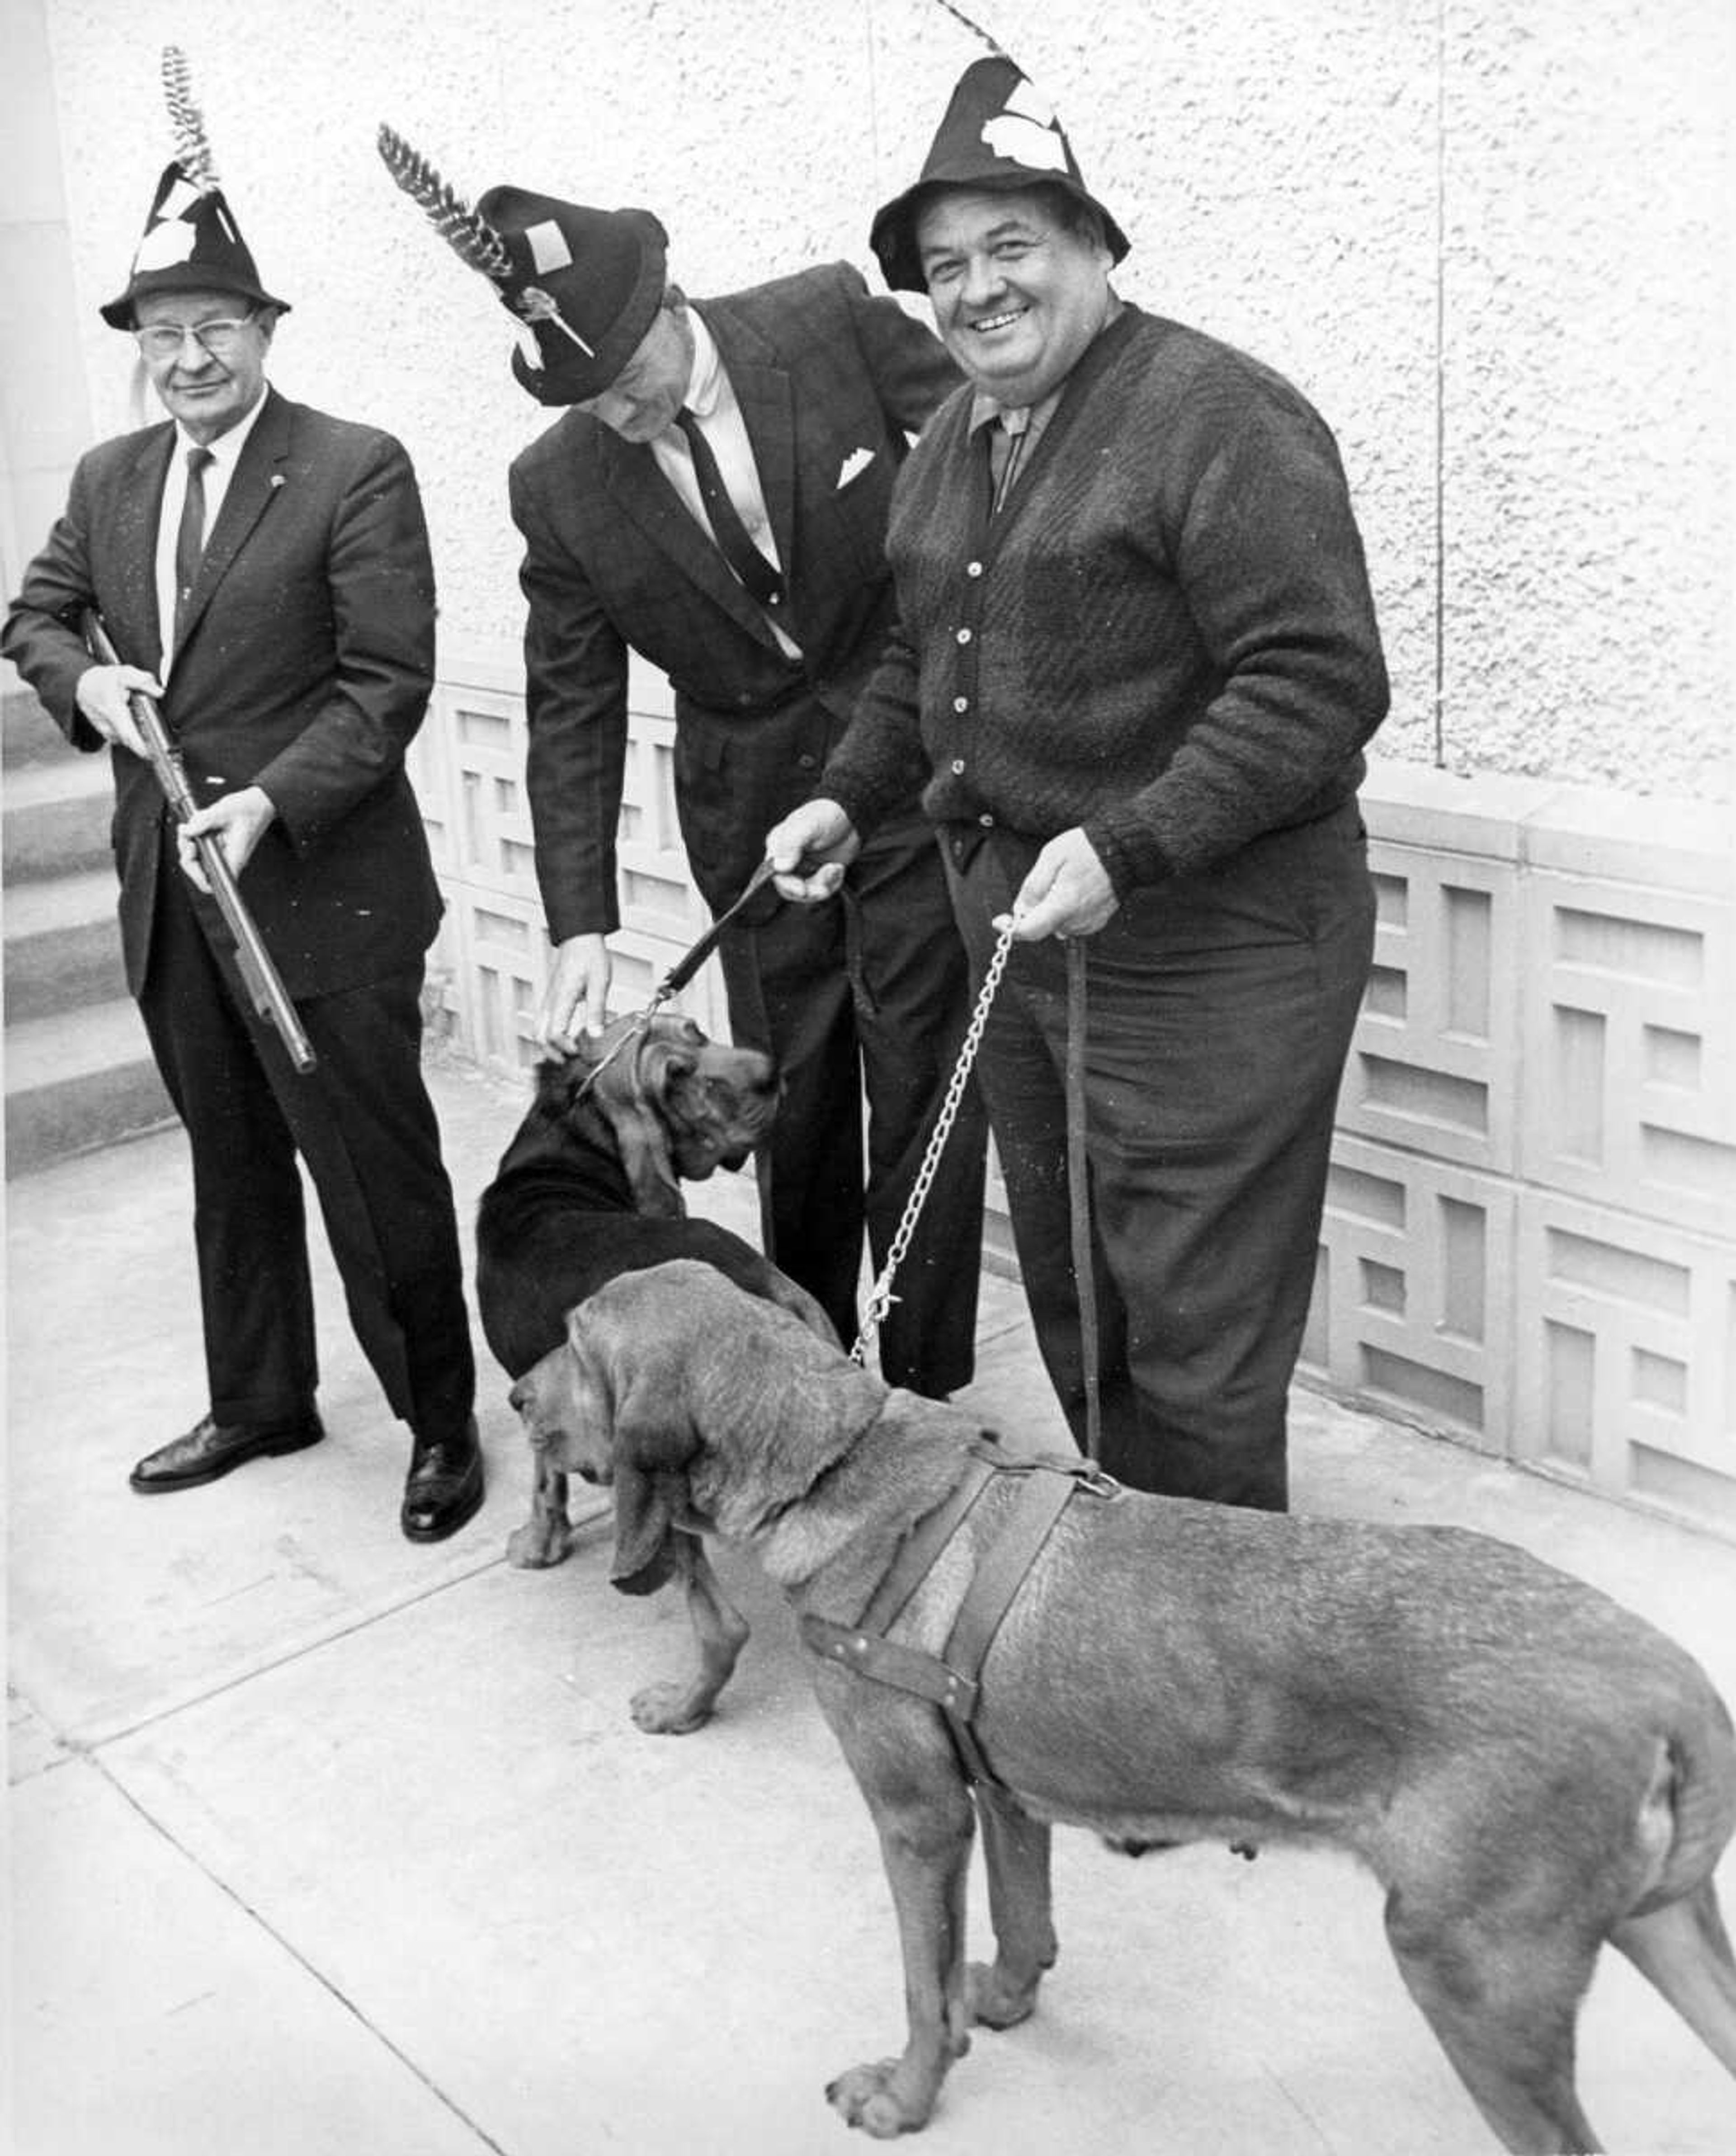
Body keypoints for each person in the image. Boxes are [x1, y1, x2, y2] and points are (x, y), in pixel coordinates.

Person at [768, 56, 1389, 1510]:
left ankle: (1220, 1682)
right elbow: (921, 654)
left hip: (1210, 944)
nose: (977, 289)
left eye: (1012, 248)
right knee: (1085, 1307)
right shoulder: (948, 442)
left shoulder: (1220, 413)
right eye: (944, 267)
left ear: (1096, 248)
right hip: (1028, 940)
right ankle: (1138, 1608)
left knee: (1195, 1338)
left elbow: (1317, 678)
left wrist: (1134, 839)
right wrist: (849, 798)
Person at [392, 163, 986, 1396]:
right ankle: (809, 1374)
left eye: (623, 376)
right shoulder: (555, 483)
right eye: (580, 396)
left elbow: (993, 444)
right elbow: (572, 702)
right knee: (795, 1098)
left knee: (927, 1072)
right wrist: (580, 921)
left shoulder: (823, 322)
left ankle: (918, 1385)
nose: (611, 410)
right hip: (750, 809)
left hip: (909, 766)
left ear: (668, 304)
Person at [2, 144, 482, 1542]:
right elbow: (33, 616)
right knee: (230, 1157)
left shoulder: (352, 467)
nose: (189, 356)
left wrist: (271, 796)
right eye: (164, 334)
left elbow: (386, 680)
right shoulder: (108, 480)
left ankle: (439, 1421)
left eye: (216, 326)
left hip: (320, 892)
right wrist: (82, 683)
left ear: (265, 331)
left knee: (373, 1169)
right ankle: (261, 1397)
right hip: (171, 892)